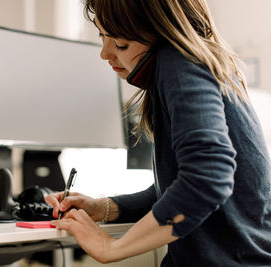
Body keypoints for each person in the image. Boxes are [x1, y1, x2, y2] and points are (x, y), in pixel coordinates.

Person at [45, 0, 271, 266]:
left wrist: (112, 247)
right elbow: (177, 190)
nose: (105, 53)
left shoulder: (178, 61)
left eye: (120, 44)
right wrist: (102, 207)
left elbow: (208, 178)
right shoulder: (195, 61)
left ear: (162, 35)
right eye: (103, 37)